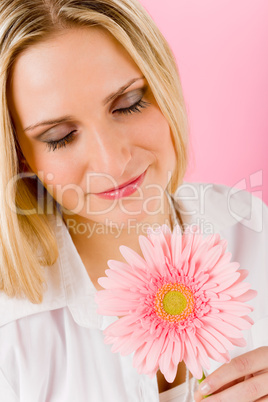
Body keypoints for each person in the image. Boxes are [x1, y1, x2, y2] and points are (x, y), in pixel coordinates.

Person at [0, 0, 267, 401]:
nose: (112, 161)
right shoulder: (13, 332)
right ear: (20, 154)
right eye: (60, 136)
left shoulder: (252, 230)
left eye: (128, 104)